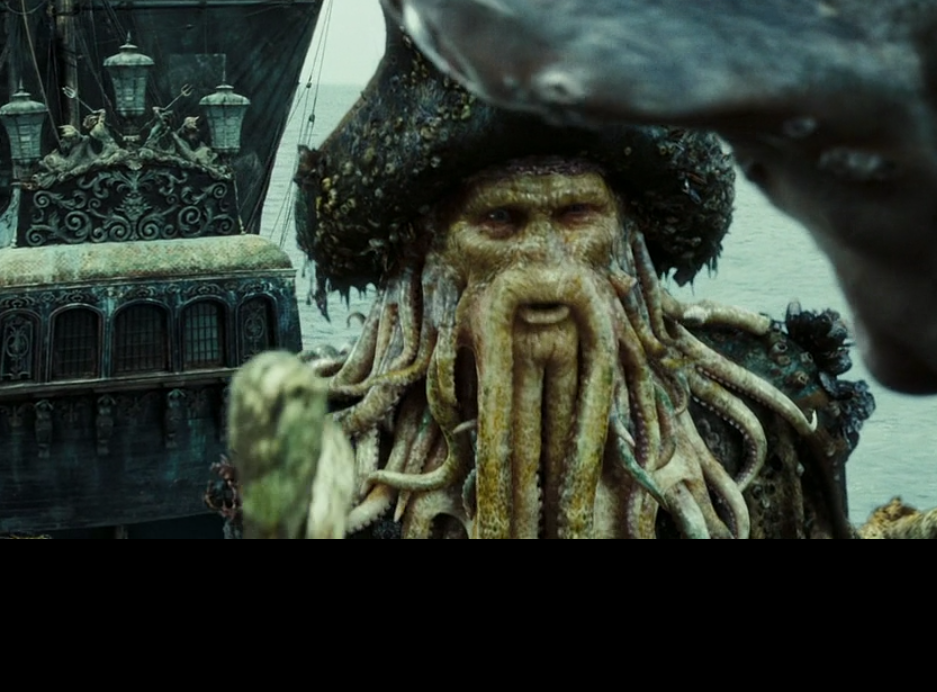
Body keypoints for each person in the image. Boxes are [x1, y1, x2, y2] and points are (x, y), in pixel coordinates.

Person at [228, 27, 873, 539]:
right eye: (500, 221)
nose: (545, 263)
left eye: (576, 216)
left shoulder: (763, 419)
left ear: (626, 241)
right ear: (428, 251)